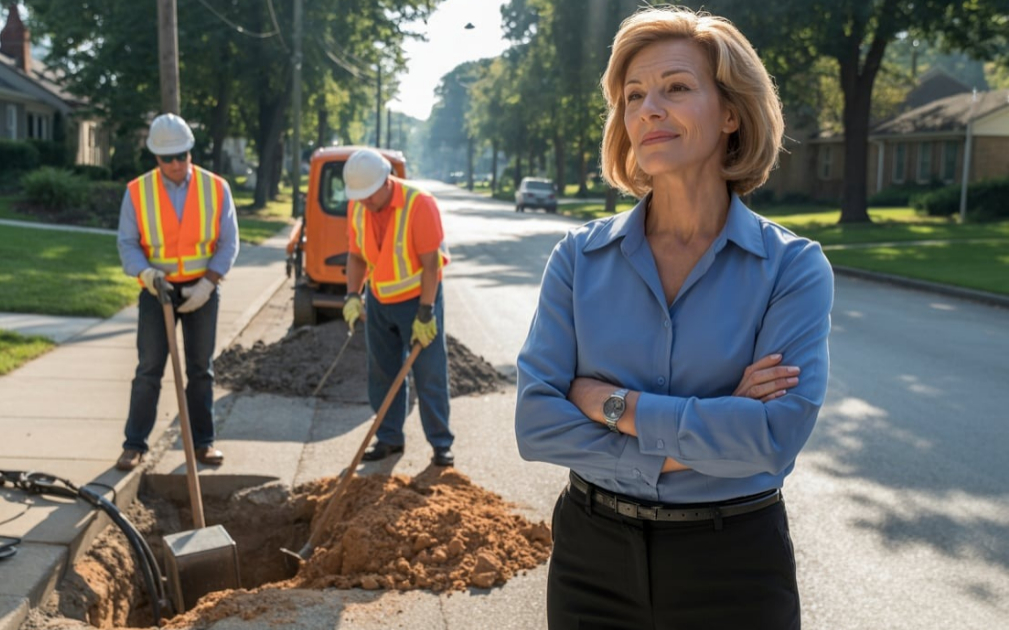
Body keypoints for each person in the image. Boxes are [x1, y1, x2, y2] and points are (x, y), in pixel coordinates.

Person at [515, 7, 833, 629]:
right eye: (634, 96)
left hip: (735, 565)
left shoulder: (792, 267)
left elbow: (773, 437)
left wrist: (611, 405)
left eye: (676, 87)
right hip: (590, 561)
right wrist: (719, 418)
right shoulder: (578, 258)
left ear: (732, 112)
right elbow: (536, 425)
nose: (648, 110)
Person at [115, 113, 239, 471]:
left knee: (201, 370)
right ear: (156, 157)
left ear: (190, 151)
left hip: (202, 290)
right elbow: (127, 243)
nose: (175, 164)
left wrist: (209, 282)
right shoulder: (137, 191)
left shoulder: (216, 188)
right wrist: (147, 273)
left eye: (181, 156)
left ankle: (203, 443)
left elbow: (229, 242)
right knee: (149, 369)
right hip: (158, 291)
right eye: (167, 158)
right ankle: (134, 444)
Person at [341, 148, 455, 467]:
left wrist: (426, 312)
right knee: (382, 372)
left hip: (419, 300)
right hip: (379, 300)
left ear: (386, 181)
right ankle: (389, 438)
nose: (364, 202)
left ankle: (441, 444)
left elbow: (431, 265)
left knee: (430, 373)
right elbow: (356, 256)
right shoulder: (358, 205)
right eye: (359, 196)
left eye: (369, 195)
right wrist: (352, 295)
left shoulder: (419, 204)